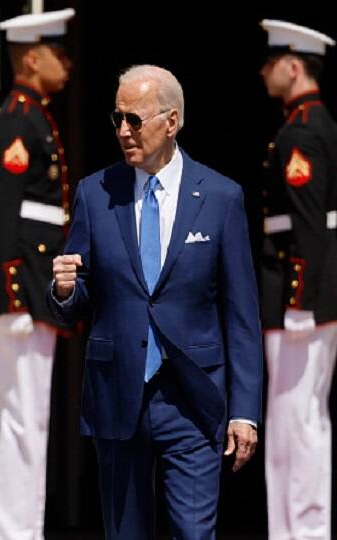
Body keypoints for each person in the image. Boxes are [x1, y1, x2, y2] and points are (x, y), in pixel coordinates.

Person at [47, 65, 263, 539]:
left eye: (135, 119)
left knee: (193, 533)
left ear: (171, 121)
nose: (123, 131)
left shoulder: (222, 197)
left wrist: (244, 411)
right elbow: (80, 297)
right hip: (117, 394)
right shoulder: (95, 192)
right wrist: (65, 290)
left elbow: (241, 313)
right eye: (117, 118)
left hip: (193, 398)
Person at [0, 8, 74, 539]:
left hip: (34, 291)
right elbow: (2, 214)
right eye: (58, 54)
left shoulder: (35, 114)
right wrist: (13, 294)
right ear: (32, 58)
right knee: (19, 421)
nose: (68, 64)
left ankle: (22, 530)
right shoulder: (19, 120)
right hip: (23, 294)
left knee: (29, 422)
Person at [259, 20, 337, 540]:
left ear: (293, 65)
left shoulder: (302, 131)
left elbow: (308, 225)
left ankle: (302, 532)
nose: (264, 71)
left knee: (297, 422)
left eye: (270, 62)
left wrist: (300, 301)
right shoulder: (314, 123)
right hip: (306, 294)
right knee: (299, 419)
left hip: (297, 297)